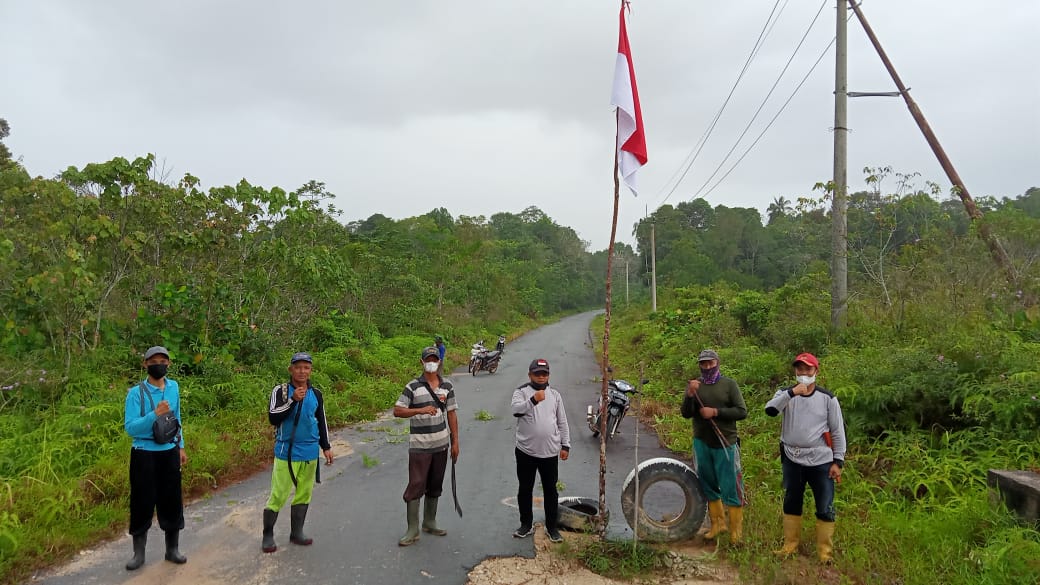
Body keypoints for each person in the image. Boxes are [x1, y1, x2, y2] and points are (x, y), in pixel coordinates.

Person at [765, 352, 847, 562]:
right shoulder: (785, 394)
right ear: (795, 371)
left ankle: (825, 553)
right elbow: (770, 410)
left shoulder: (827, 398)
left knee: (825, 504)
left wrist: (838, 461)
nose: (804, 373)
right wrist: (792, 393)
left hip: (821, 459)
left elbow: (837, 431)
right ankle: (790, 545)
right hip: (792, 457)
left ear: (816, 371)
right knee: (792, 500)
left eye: (808, 369)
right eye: (800, 369)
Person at [261, 352, 334, 553]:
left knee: (304, 493)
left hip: (310, 451)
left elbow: (321, 420)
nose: (302, 371)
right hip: (287, 451)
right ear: (291, 369)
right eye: (298, 367)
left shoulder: (316, 394)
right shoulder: (281, 391)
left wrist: (326, 447)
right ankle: (268, 535)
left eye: (306, 367)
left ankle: (297, 532)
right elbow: (273, 417)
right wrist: (292, 400)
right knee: (278, 494)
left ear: (311, 370)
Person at [123, 345, 187, 570]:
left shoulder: (173, 387)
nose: (158, 365)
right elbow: (131, 428)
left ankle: (172, 550)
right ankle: (138, 554)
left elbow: (177, 418)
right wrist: (154, 415)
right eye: (153, 362)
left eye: (162, 361)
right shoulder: (136, 393)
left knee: (172, 501)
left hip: (169, 451)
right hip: (144, 454)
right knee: (142, 502)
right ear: (145, 364)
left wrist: (180, 446)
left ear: (168, 364)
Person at [393, 346, 460, 546]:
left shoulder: (447, 386)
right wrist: (419, 410)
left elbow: (451, 413)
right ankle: (412, 529)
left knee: (435, 483)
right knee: (416, 483)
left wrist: (455, 442)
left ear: (439, 362)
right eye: (428, 359)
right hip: (420, 446)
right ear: (422, 362)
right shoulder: (412, 386)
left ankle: (429, 522)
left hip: (441, 444)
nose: (431, 363)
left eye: (434, 359)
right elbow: (398, 410)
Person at [681, 349, 748, 543]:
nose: (707, 367)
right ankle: (717, 525)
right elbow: (686, 413)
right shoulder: (695, 386)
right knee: (708, 484)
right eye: (704, 364)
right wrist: (689, 395)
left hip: (725, 443)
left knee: (732, 487)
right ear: (699, 365)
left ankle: (736, 533)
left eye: (710, 363)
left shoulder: (729, 385)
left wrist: (716, 412)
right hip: (702, 442)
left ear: (717, 362)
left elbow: (741, 411)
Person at [510, 358, 570, 543]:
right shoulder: (521, 392)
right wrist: (533, 400)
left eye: (544, 374)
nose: (541, 377)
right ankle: (525, 524)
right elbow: (516, 410)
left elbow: (562, 421)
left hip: (550, 452)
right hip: (526, 451)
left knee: (551, 490)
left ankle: (552, 527)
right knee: (525, 488)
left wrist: (565, 444)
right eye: (537, 374)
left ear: (548, 375)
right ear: (530, 375)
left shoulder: (555, 395)